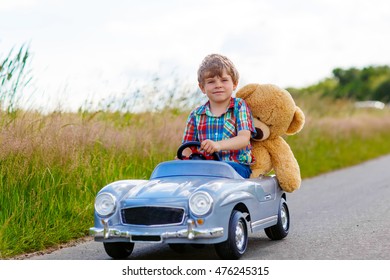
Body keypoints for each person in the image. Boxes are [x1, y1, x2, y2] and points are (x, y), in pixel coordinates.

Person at [181, 54, 256, 178]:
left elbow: (244, 138)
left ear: (235, 84)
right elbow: (187, 147)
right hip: (206, 167)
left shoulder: (239, 107)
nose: (218, 85)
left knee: (217, 172)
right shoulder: (196, 115)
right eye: (211, 82)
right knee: (189, 171)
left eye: (224, 80)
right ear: (202, 87)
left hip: (235, 167)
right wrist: (183, 159)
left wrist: (218, 145)